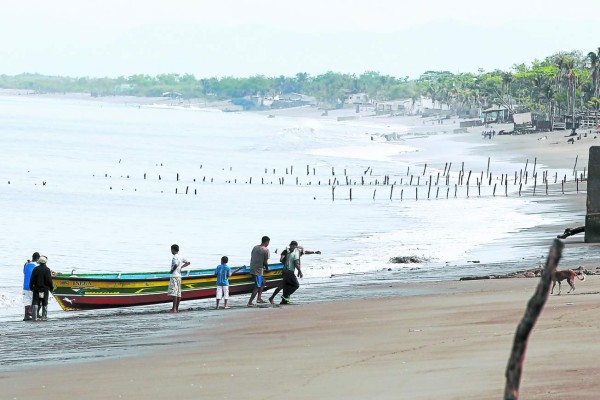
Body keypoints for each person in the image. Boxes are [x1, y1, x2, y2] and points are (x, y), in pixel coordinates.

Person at [247, 236, 270, 307]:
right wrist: (267, 268)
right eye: (268, 242)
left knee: (263, 282)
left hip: (253, 268)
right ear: (267, 242)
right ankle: (249, 302)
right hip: (258, 271)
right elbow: (265, 262)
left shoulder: (255, 247)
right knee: (257, 286)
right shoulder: (265, 250)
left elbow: (252, 257)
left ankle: (259, 298)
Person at [29, 256, 53, 321]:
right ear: (45, 262)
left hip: (36, 289)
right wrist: (51, 288)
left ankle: (34, 317)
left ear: (39, 262)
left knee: (36, 302)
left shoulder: (35, 269)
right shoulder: (47, 269)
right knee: (44, 302)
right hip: (44, 289)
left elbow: (32, 279)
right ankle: (44, 316)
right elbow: (49, 280)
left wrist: (31, 287)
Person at [168, 244, 190, 313]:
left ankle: (174, 309)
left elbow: (176, 265)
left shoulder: (175, 257)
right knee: (178, 293)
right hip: (179, 277)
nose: (171, 251)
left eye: (171, 249)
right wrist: (181, 267)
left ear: (173, 250)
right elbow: (188, 262)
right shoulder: (181, 256)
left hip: (174, 276)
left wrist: (171, 271)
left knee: (174, 293)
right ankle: (177, 308)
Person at [22, 252, 40, 321]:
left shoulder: (26, 264)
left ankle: (26, 316)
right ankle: (33, 314)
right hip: (32, 286)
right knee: (35, 301)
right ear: (37, 258)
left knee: (27, 302)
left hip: (25, 286)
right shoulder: (36, 266)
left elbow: (24, 272)